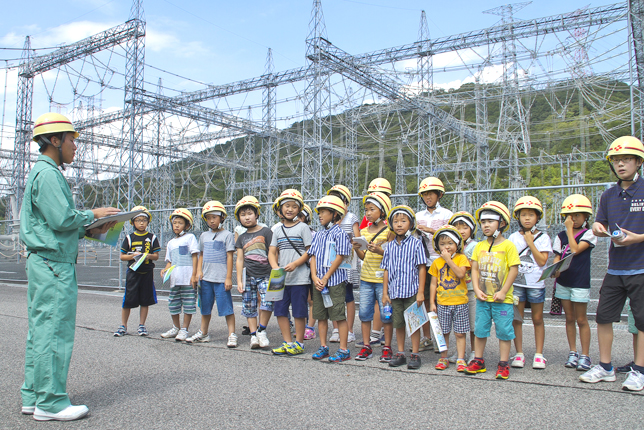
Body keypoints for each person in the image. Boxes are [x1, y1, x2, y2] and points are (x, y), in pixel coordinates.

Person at [20, 112, 120, 421]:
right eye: (72, 141)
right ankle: (51, 403)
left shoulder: (43, 172)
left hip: (45, 260)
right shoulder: (49, 174)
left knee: (40, 330)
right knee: (54, 330)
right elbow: (62, 218)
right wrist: (93, 215)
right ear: (55, 140)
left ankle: (33, 395)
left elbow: (55, 224)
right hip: (53, 264)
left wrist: (91, 229)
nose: (75, 147)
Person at [579, 136, 644, 391]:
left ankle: (639, 370)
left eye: (626, 159)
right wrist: (598, 227)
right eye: (616, 160)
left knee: (642, 321)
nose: (621, 164)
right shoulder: (608, 195)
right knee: (604, 317)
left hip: (641, 266)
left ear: (638, 162)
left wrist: (637, 238)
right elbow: (600, 223)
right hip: (615, 267)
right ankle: (605, 367)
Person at [464, 201, 520, 380]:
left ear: (502, 223)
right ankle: (478, 360)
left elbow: (513, 269)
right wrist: (477, 289)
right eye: (483, 222)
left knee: (504, 331)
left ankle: (503, 363)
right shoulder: (479, 246)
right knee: (480, 329)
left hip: (502, 300)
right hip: (483, 299)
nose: (485, 225)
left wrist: (503, 291)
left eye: (490, 221)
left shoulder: (508, 246)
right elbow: (474, 268)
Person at [552, 194, 596, 371]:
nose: (574, 218)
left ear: (586, 217)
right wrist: (554, 269)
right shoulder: (560, 236)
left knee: (581, 319)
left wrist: (569, 230)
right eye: (570, 215)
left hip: (580, 282)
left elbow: (576, 249)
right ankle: (573, 352)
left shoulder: (590, 234)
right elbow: (557, 256)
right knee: (569, 318)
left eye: (578, 214)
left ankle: (585, 355)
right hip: (564, 282)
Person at [508, 196, 552, 369]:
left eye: (531, 215)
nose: (527, 218)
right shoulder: (512, 237)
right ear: (518, 217)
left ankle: (539, 354)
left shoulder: (543, 238)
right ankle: (519, 353)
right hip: (517, 285)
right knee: (517, 319)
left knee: (538, 318)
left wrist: (530, 243)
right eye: (523, 214)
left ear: (537, 217)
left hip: (536, 285)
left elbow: (542, 261)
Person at [381, 205, 427, 369]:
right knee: (398, 323)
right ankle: (400, 353)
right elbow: (386, 270)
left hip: (412, 291)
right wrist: (385, 293)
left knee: (414, 323)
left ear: (411, 223)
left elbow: (422, 267)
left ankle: (415, 354)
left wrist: (421, 291)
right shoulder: (390, 246)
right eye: (395, 221)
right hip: (395, 292)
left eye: (403, 221)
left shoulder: (416, 244)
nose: (399, 224)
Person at [186, 201, 237, 347]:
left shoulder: (227, 235)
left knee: (226, 307)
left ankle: (232, 334)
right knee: (205, 307)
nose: (212, 220)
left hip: (220, 279)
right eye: (208, 218)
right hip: (205, 278)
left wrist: (228, 277)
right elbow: (201, 255)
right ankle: (203, 333)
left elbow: (229, 256)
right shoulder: (203, 236)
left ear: (222, 218)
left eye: (215, 217)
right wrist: (198, 272)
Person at [309, 195, 352, 362]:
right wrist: (314, 276)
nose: (320, 215)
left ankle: (343, 349)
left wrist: (326, 277)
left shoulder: (340, 234)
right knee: (321, 315)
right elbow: (312, 256)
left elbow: (341, 256)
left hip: (334, 282)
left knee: (338, 315)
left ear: (335, 214)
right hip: (319, 282)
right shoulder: (318, 235)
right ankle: (323, 347)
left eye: (324, 212)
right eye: (319, 212)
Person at [268, 189, 312, 356]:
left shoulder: (303, 228)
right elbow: (272, 252)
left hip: (300, 278)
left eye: (294, 206)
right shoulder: (277, 230)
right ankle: (287, 342)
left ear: (299, 210)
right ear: (280, 208)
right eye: (287, 206)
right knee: (280, 310)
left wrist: (295, 264)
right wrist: (275, 267)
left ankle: (299, 343)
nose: (290, 209)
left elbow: (309, 251)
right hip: (280, 278)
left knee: (300, 311)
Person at [416, 177, 453, 351]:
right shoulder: (418, 216)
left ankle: (441, 339)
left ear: (439, 195)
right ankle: (426, 337)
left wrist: (431, 231)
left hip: (442, 263)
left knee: (440, 303)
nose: (427, 197)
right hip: (423, 263)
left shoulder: (447, 215)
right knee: (423, 300)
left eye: (431, 193)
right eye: (424, 194)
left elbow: (452, 237)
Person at [354, 192, 392, 361]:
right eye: (366, 210)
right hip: (366, 278)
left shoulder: (389, 231)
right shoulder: (363, 231)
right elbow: (363, 257)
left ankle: (388, 347)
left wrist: (380, 251)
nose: (368, 213)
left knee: (386, 315)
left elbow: (393, 256)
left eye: (372, 209)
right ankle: (366, 346)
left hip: (383, 280)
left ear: (383, 211)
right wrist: (356, 248)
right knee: (364, 313)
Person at [234, 196, 274, 349]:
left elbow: (273, 253)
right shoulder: (241, 238)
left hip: (266, 274)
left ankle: (261, 330)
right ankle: (253, 336)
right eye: (243, 215)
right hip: (248, 276)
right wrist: (239, 280)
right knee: (249, 306)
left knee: (268, 302)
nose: (246, 217)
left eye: (249, 213)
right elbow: (239, 260)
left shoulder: (266, 232)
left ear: (257, 214)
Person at [429, 226, 471, 372]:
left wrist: (448, 259)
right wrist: (432, 302)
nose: (447, 246)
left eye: (450, 243)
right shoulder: (436, 262)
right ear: (437, 246)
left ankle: (460, 358)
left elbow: (460, 274)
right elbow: (433, 283)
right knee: (444, 332)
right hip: (442, 303)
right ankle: (443, 357)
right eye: (442, 244)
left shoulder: (462, 258)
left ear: (458, 244)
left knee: (460, 333)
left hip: (460, 302)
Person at [114, 206, 160, 337]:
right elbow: (122, 256)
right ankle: (123, 326)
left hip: (146, 273)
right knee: (128, 299)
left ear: (148, 222)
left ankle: (142, 325)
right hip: (133, 273)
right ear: (133, 223)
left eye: (144, 220)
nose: (141, 223)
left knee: (145, 300)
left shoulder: (152, 237)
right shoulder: (129, 238)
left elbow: (156, 256)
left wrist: (146, 255)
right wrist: (134, 255)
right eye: (138, 220)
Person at [160, 209, 199, 341]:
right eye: (174, 223)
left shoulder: (190, 238)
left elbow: (195, 257)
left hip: (188, 279)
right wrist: (165, 269)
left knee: (188, 303)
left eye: (180, 223)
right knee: (173, 303)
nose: (176, 225)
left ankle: (184, 329)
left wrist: (194, 275)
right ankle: (175, 327)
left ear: (187, 225)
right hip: (175, 279)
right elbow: (170, 261)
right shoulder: (170, 243)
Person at [327, 184, 359, 344]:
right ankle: (336, 329)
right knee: (334, 296)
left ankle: (350, 330)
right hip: (333, 263)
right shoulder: (330, 220)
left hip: (347, 264)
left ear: (346, 203)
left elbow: (357, 238)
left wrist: (351, 242)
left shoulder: (352, 218)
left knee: (348, 297)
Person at [448, 211, 479, 364]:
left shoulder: (474, 246)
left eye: (465, 227)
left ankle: (474, 351)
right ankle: (461, 351)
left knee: (473, 324)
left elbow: (472, 267)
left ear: (472, 229)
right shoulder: (451, 247)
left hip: (471, 290)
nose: (461, 231)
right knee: (459, 325)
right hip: (456, 291)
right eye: (457, 227)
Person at [299, 203, 318, 340]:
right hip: (297, 270)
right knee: (301, 299)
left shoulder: (313, 234)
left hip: (310, 268)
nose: (298, 218)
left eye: (301, 216)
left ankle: (310, 328)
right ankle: (302, 326)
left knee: (311, 299)